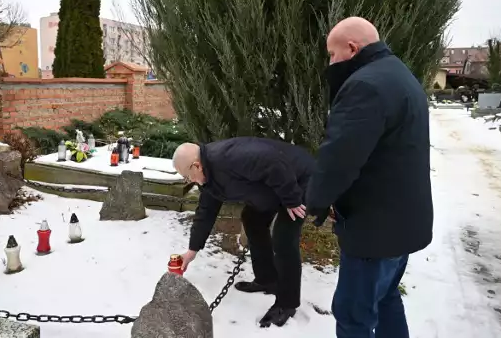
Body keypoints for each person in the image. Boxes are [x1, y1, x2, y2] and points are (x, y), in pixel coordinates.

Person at [306, 17, 433, 338]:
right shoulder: (401, 75)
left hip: (373, 229)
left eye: (332, 55)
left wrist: (316, 203)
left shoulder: (366, 85)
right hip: (401, 222)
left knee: (353, 315)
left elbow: (340, 157)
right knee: (386, 297)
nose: (330, 63)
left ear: (352, 47)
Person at [172, 138, 314, 328]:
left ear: (196, 166)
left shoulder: (229, 157)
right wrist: (192, 250)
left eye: (187, 176)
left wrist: (292, 199)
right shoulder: (209, 179)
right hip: (275, 189)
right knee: (252, 219)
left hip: (299, 179)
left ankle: (287, 304)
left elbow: (272, 161)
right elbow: (205, 212)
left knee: (284, 237)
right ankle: (267, 279)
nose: (189, 181)